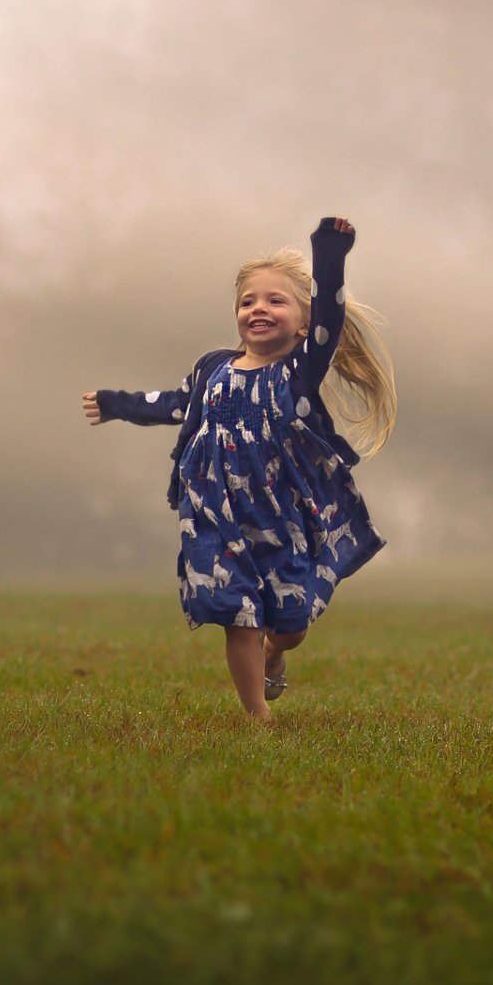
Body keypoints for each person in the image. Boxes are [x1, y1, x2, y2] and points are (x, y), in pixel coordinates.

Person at [83, 219, 394, 718]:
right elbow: (173, 404)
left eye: (276, 301)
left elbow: (329, 320)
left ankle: (276, 654)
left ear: (300, 322)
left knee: (290, 625)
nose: (259, 309)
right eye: (249, 301)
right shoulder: (212, 370)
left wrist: (329, 253)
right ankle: (257, 718)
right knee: (238, 614)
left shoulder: (298, 372)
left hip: (280, 516)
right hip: (214, 513)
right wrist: (116, 403)